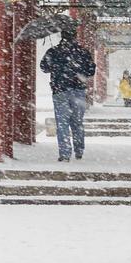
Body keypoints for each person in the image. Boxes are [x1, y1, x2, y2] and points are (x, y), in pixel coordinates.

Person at [39, 27, 96, 162]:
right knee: (77, 122)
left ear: (61, 36)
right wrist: (78, 73)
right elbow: (91, 71)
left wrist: (56, 67)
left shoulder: (53, 51)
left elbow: (43, 68)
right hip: (78, 91)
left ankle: (65, 153)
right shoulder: (83, 52)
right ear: (75, 36)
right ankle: (79, 150)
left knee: (62, 123)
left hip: (60, 90)